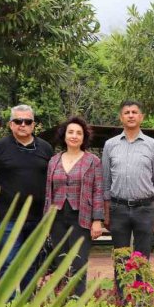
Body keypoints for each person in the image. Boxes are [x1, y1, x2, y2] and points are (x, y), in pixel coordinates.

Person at [0, 104, 54, 290]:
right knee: (7, 263)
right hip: (8, 218)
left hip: (38, 219)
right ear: (11, 124)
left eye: (27, 121)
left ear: (34, 124)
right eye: (18, 121)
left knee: (31, 263)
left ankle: (27, 301)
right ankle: (6, 302)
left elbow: (53, 182)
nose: (23, 125)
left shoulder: (46, 148)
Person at [44, 116, 104, 297]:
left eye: (79, 133)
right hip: (57, 217)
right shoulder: (54, 161)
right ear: (64, 135)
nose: (74, 136)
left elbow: (98, 191)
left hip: (81, 217)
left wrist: (97, 220)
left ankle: (77, 300)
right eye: (70, 132)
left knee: (79, 261)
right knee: (59, 261)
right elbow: (48, 192)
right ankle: (59, 300)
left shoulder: (93, 161)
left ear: (84, 137)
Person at [102, 100, 154, 260]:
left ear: (141, 117)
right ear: (121, 117)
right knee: (120, 259)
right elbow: (106, 183)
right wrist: (107, 213)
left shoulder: (152, 145)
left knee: (142, 259)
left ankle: (141, 278)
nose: (131, 115)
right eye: (127, 113)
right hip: (118, 208)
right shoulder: (110, 145)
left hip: (145, 209)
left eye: (134, 112)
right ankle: (121, 279)